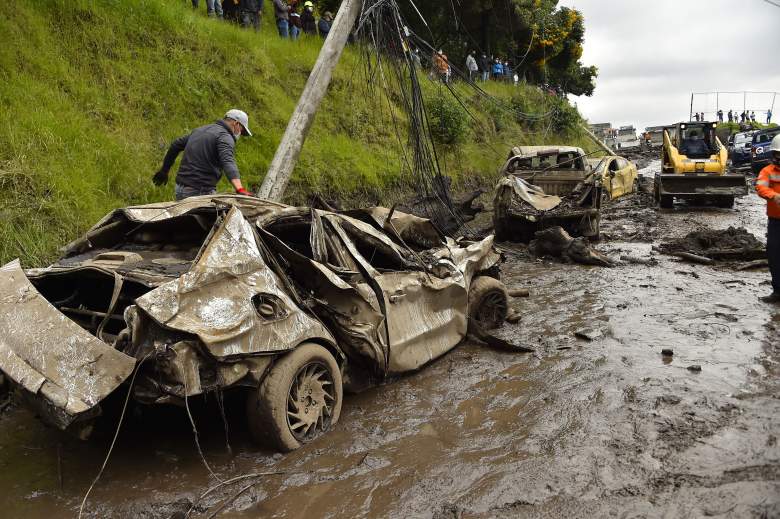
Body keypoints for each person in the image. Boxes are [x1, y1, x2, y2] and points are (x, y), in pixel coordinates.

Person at [152, 110, 253, 200]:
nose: (240, 133)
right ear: (236, 123)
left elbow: (175, 145)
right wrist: (240, 189)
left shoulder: (200, 130)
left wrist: (164, 171)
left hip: (180, 188)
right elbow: (228, 161)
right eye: (242, 130)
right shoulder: (225, 137)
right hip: (199, 192)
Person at [755, 134, 780, 303]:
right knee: (775, 255)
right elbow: (760, 187)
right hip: (776, 222)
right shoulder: (767, 171)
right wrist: (774, 196)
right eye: (777, 154)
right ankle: (778, 291)